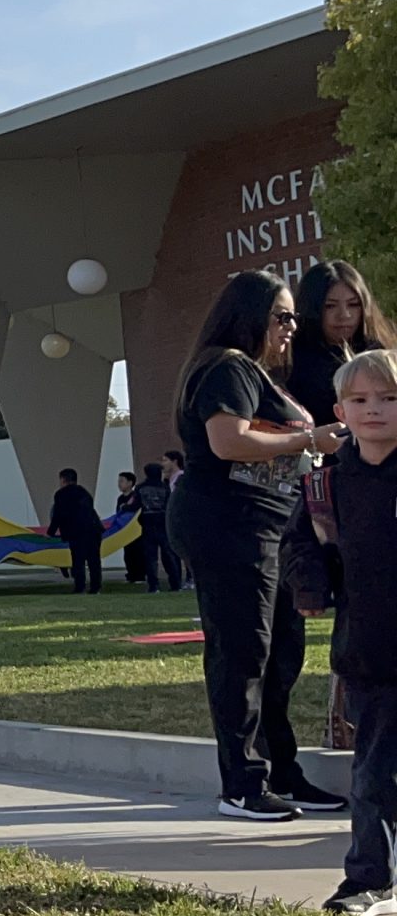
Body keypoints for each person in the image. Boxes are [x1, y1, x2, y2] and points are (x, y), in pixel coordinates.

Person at [167, 269, 346, 821]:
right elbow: (229, 441)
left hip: (269, 531)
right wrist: (308, 438)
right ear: (250, 316)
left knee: (280, 654)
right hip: (227, 524)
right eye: (282, 316)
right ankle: (241, 785)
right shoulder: (226, 365)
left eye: (294, 316)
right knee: (242, 653)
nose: (292, 327)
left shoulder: (257, 373)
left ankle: (282, 773)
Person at [285, 349, 397, 916]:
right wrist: (310, 588)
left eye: (389, 398)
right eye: (360, 400)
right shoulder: (324, 488)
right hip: (369, 652)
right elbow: (300, 546)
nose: (374, 409)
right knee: (373, 772)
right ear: (339, 411)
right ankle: (367, 880)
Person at [290, 261, 394, 427]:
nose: (344, 315)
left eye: (353, 305)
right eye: (330, 306)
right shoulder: (290, 362)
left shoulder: (382, 354)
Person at [49, 468, 105, 595]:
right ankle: (95, 587)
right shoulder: (84, 492)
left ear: (63, 480)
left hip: (76, 532)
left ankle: (80, 587)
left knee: (78, 560)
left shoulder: (61, 494)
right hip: (93, 529)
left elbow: (58, 515)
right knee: (94, 560)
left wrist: (50, 532)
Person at [135, 463, 180, 592]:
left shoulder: (140, 488)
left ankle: (153, 585)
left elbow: (134, 505)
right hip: (163, 524)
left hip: (147, 524)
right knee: (169, 555)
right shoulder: (164, 487)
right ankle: (175, 584)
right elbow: (170, 504)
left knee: (151, 557)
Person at [165, 449, 195, 588]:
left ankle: (191, 578)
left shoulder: (181, 477)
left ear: (174, 461)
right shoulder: (169, 480)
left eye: (165, 460)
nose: (163, 464)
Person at [118, 471, 147, 584]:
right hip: (125, 530)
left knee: (138, 553)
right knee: (128, 554)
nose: (119, 484)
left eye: (122, 481)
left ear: (130, 483)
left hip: (136, 530)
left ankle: (140, 575)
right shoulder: (120, 498)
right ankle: (131, 575)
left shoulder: (136, 496)